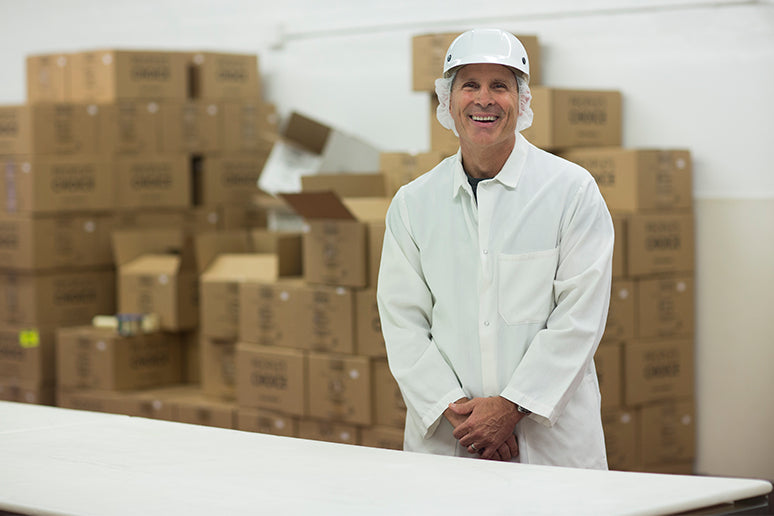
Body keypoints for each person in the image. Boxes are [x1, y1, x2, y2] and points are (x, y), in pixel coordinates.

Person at [376, 28, 613, 468]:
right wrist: (460, 412)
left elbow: (579, 317)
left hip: (547, 445)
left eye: (499, 86)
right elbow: (401, 322)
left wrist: (512, 407)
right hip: (453, 440)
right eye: (470, 85)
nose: (483, 99)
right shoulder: (414, 203)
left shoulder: (571, 191)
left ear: (522, 102)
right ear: (448, 102)